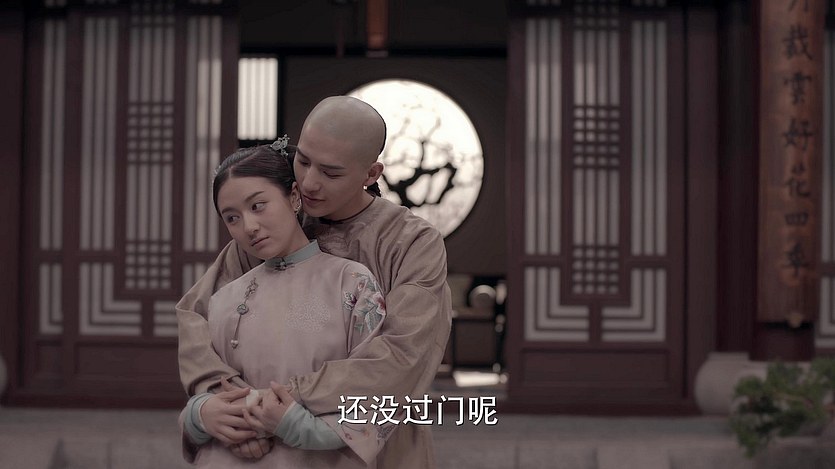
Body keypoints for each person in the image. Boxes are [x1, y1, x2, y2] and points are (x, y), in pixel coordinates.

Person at [177, 95, 453, 468]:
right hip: (262, 443)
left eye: (331, 173)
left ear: (371, 174)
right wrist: (229, 407)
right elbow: (198, 317)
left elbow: (404, 353)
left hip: (367, 436)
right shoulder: (277, 220)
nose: (309, 182)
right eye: (303, 161)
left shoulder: (409, 241)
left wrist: (282, 400)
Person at [181, 138, 392, 467]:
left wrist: (299, 427)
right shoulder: (223, 300)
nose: (249, 227)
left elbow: (378, 387)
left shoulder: (352, 284)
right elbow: (206, 390)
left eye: (258, 206)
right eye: (232, 218)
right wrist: (198, 416)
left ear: (294, 197)